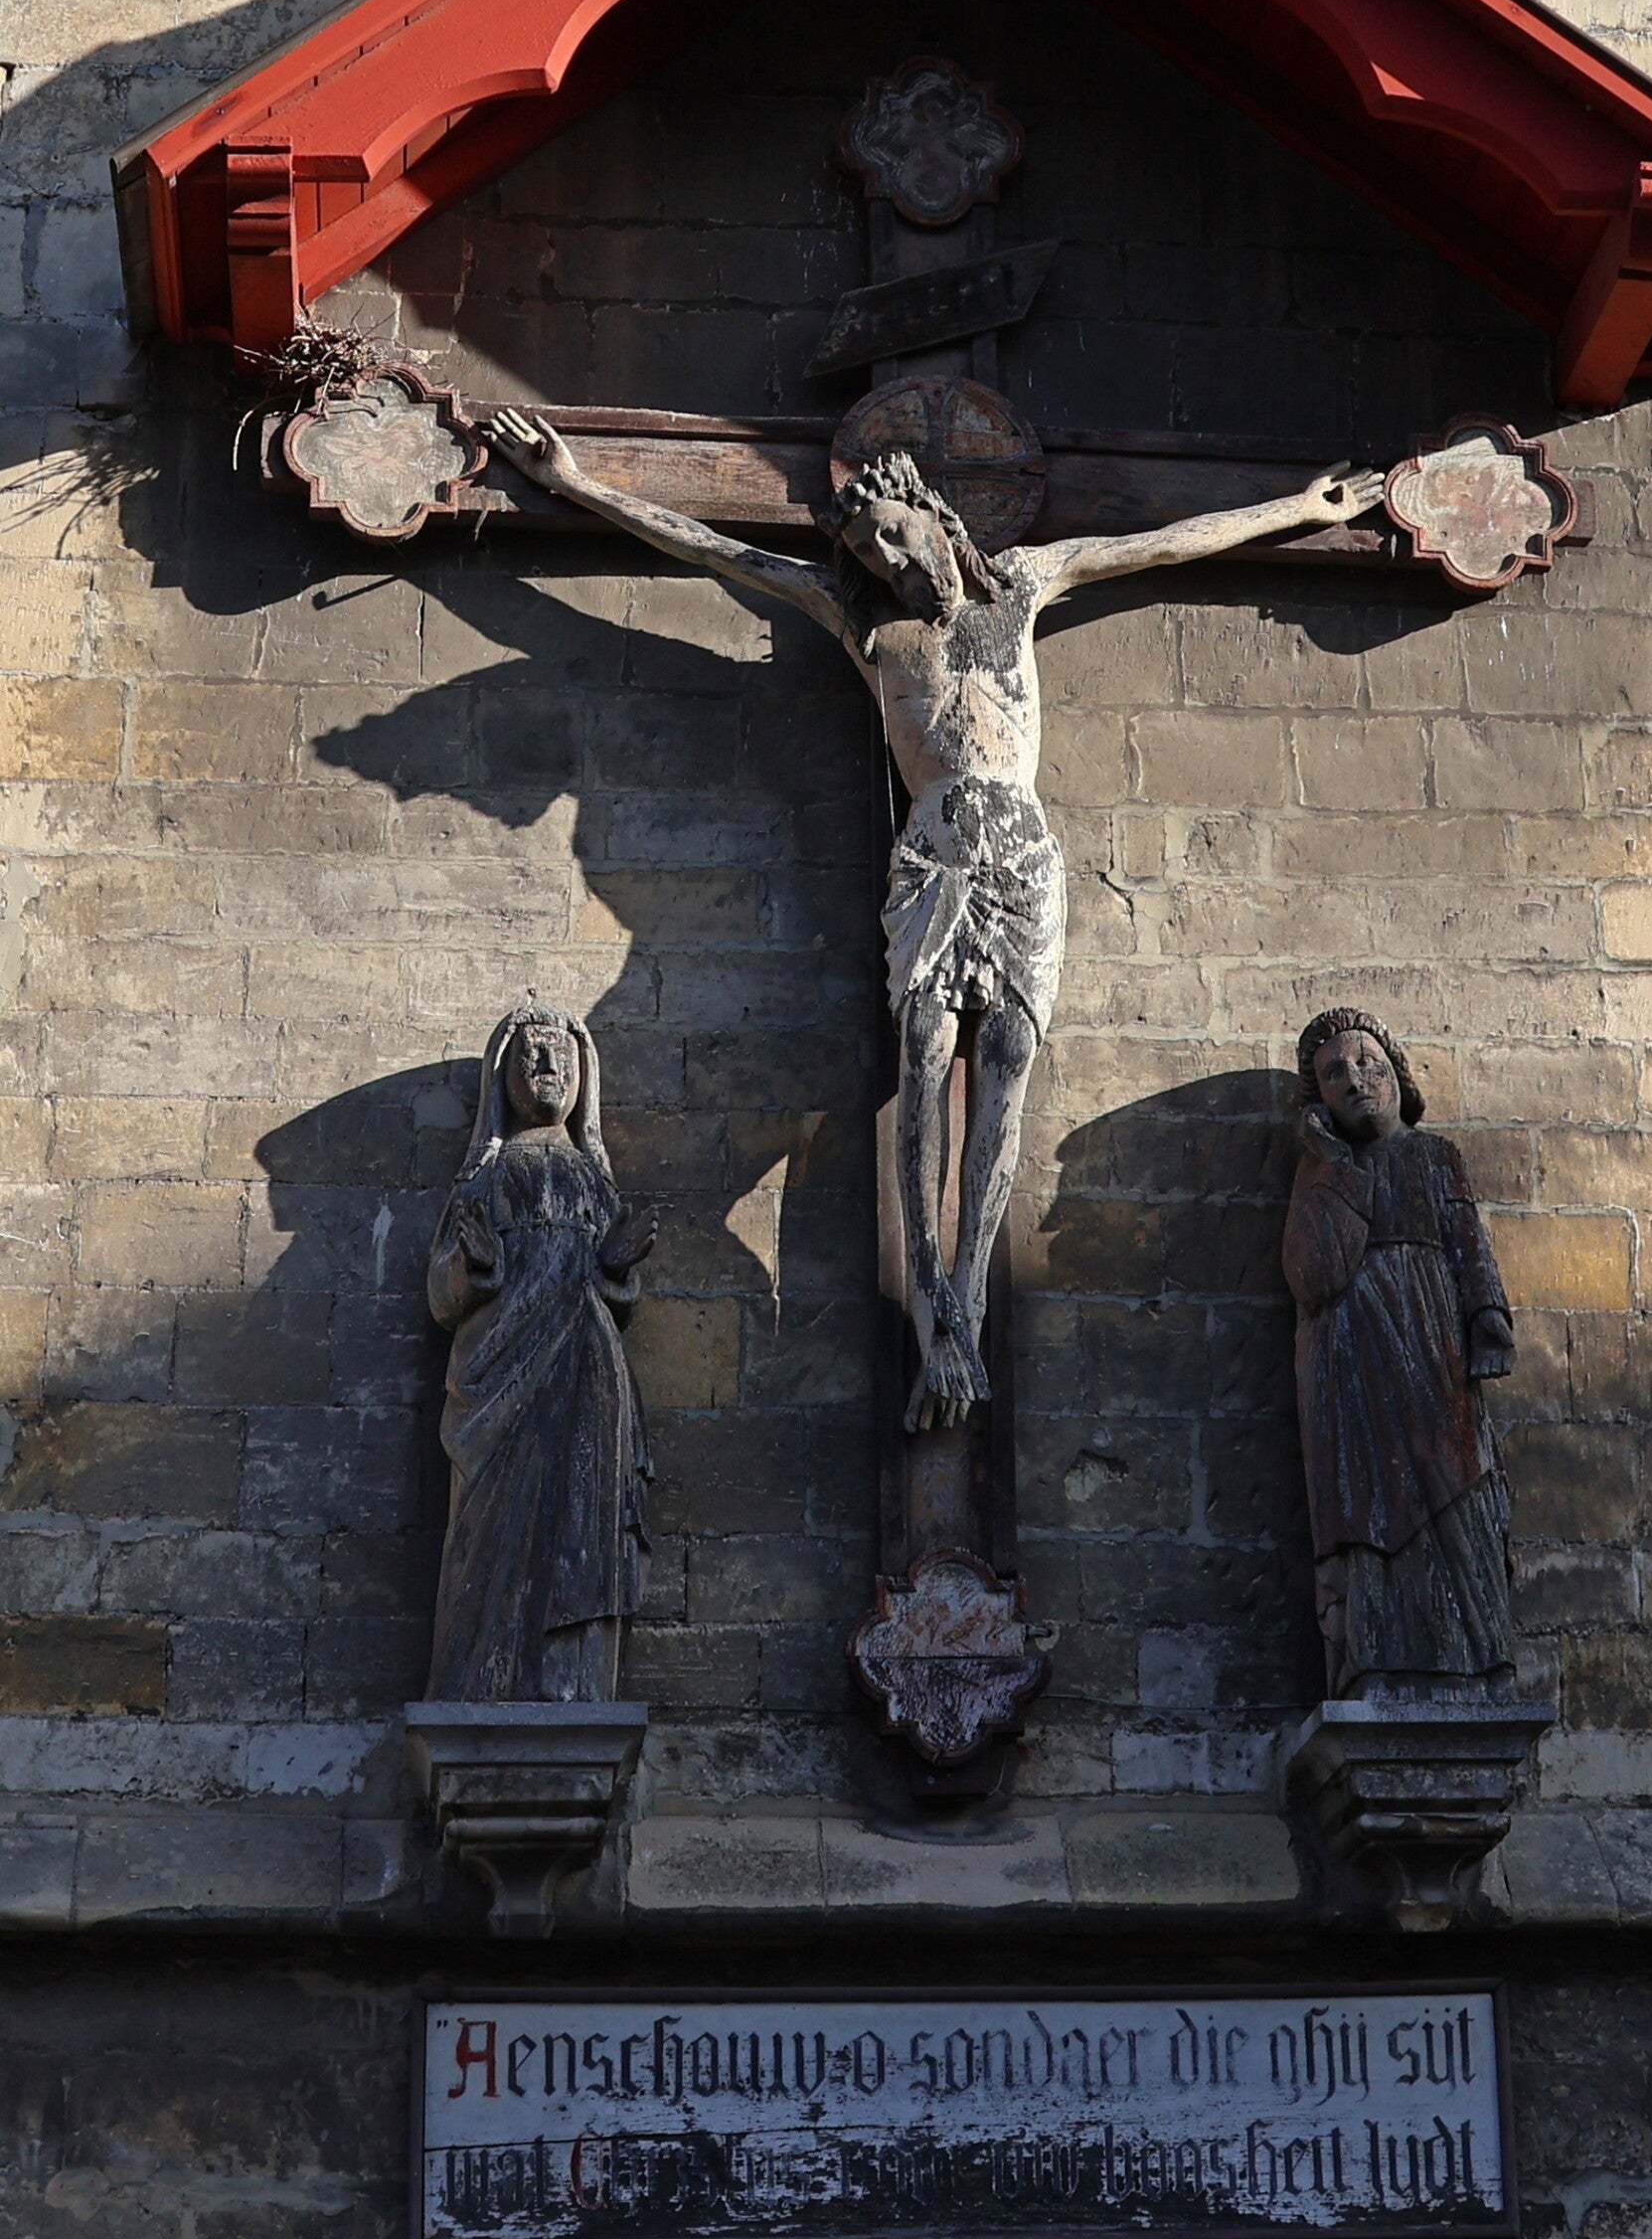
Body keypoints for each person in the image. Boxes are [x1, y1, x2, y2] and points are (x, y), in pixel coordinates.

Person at [485, 404, 1383, 1433]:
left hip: (1022, 859)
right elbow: (716, 550)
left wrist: (1298, 508)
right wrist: (577, 483)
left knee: (1007, 1063)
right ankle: (930, 1304)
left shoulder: (1027, 583)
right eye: (872, 551)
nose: (893, 559)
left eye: (897, 536)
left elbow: (1163, 541)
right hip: (935, 857)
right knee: (922, 1061)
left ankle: (971, 1297)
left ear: (935, 515)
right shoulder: (863, 623)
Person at [425, 998, 656, 1702]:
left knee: (582, 1519)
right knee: (490, 1528)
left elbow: (619, 1294)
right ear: (504, 1077)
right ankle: (480, 1683)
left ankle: (575, 1683)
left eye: (562, 1054)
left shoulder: (594, 1180)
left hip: (586, 1370)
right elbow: (441, 1291)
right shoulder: (485, 1178)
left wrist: (616, 1269)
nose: (549, 1064)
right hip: (498, 1377)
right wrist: (471, 1265)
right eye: (532, 1053)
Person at [1282, 1007, 1516, 1700]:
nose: (1354, 1080)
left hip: (1432, 1342)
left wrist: (1487, 1321)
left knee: (1460, 1485)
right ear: (1319, 1101)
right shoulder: (1319, 1175)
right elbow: (1312, 1276)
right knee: (1365, 1504)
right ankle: (1374, 1662)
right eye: (1334, 1074)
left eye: (1367, 1063)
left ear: (1396, 1073)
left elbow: (1468, 1242)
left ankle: (1483, 1655)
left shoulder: (1435, 1155)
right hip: (1350, 1356)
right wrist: (1335, 1165)